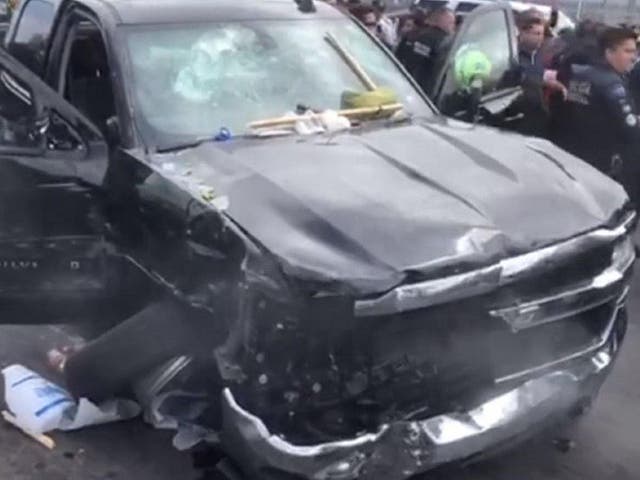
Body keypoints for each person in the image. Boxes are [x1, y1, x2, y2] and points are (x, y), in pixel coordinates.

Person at [553, 27, 640, 202]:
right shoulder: (611, 85)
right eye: (628, 51)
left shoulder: (581, 74)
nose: (633, 57)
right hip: (607, 162)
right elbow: (630, 129)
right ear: (609, 52)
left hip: (576, 155)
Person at [514, 14, 566, 137]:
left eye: (542, 34)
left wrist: (554, 82)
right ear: (522, 33)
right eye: (536, 34)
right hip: (518, 116)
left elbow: (539, 74)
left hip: (536, 116)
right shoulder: (514, 55)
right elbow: (524, 77)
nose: (540, 38)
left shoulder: (536, 55)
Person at [395, 6, 456, 95]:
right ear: (442, 21)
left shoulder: (413, 33)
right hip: (424, 88)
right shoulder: (442, 41)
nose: (453, 27)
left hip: (401, 80)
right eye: (451, 23)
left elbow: (398, 55)